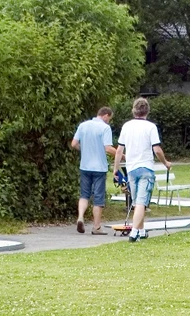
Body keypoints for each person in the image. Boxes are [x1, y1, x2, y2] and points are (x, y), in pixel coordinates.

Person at [114, 97, 171, 243]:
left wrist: (116, 169)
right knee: (141, 202)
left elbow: (120, 150)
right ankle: (134, 232)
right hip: (146, 167)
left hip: (131, 168)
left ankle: (141, 229)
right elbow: (157, 149)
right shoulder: (150, 127)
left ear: (134, 110)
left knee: (137, 200)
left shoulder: (126, 126)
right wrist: (165, 162)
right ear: (147, 111)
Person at [70, 107, 117, 234]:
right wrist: (121, 155)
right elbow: (108, 148)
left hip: (85, 166)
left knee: (84, 195)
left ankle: (80, 217)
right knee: (98, 197)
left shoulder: (83, 125)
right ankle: (96, 227)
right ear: (106, 115)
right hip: (99, 168)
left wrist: (84, 150)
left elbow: (73, 144)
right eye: (109, 119)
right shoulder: (105, 128)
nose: (109, 122)